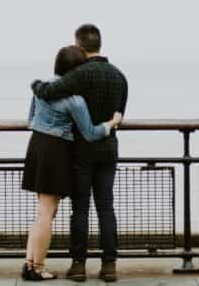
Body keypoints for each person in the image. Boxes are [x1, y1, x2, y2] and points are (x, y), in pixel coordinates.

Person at [31, 24, 128, 282]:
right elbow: (120, 114)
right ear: (100, 43)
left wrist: (36, 85)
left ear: (80, 46)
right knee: (106, 208)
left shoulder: (79, 74)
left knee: (81, 209)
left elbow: (50, 91)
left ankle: (78, 265)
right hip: (108, 149)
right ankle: (109, 266)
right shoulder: (119, 76)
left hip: (80, 151)